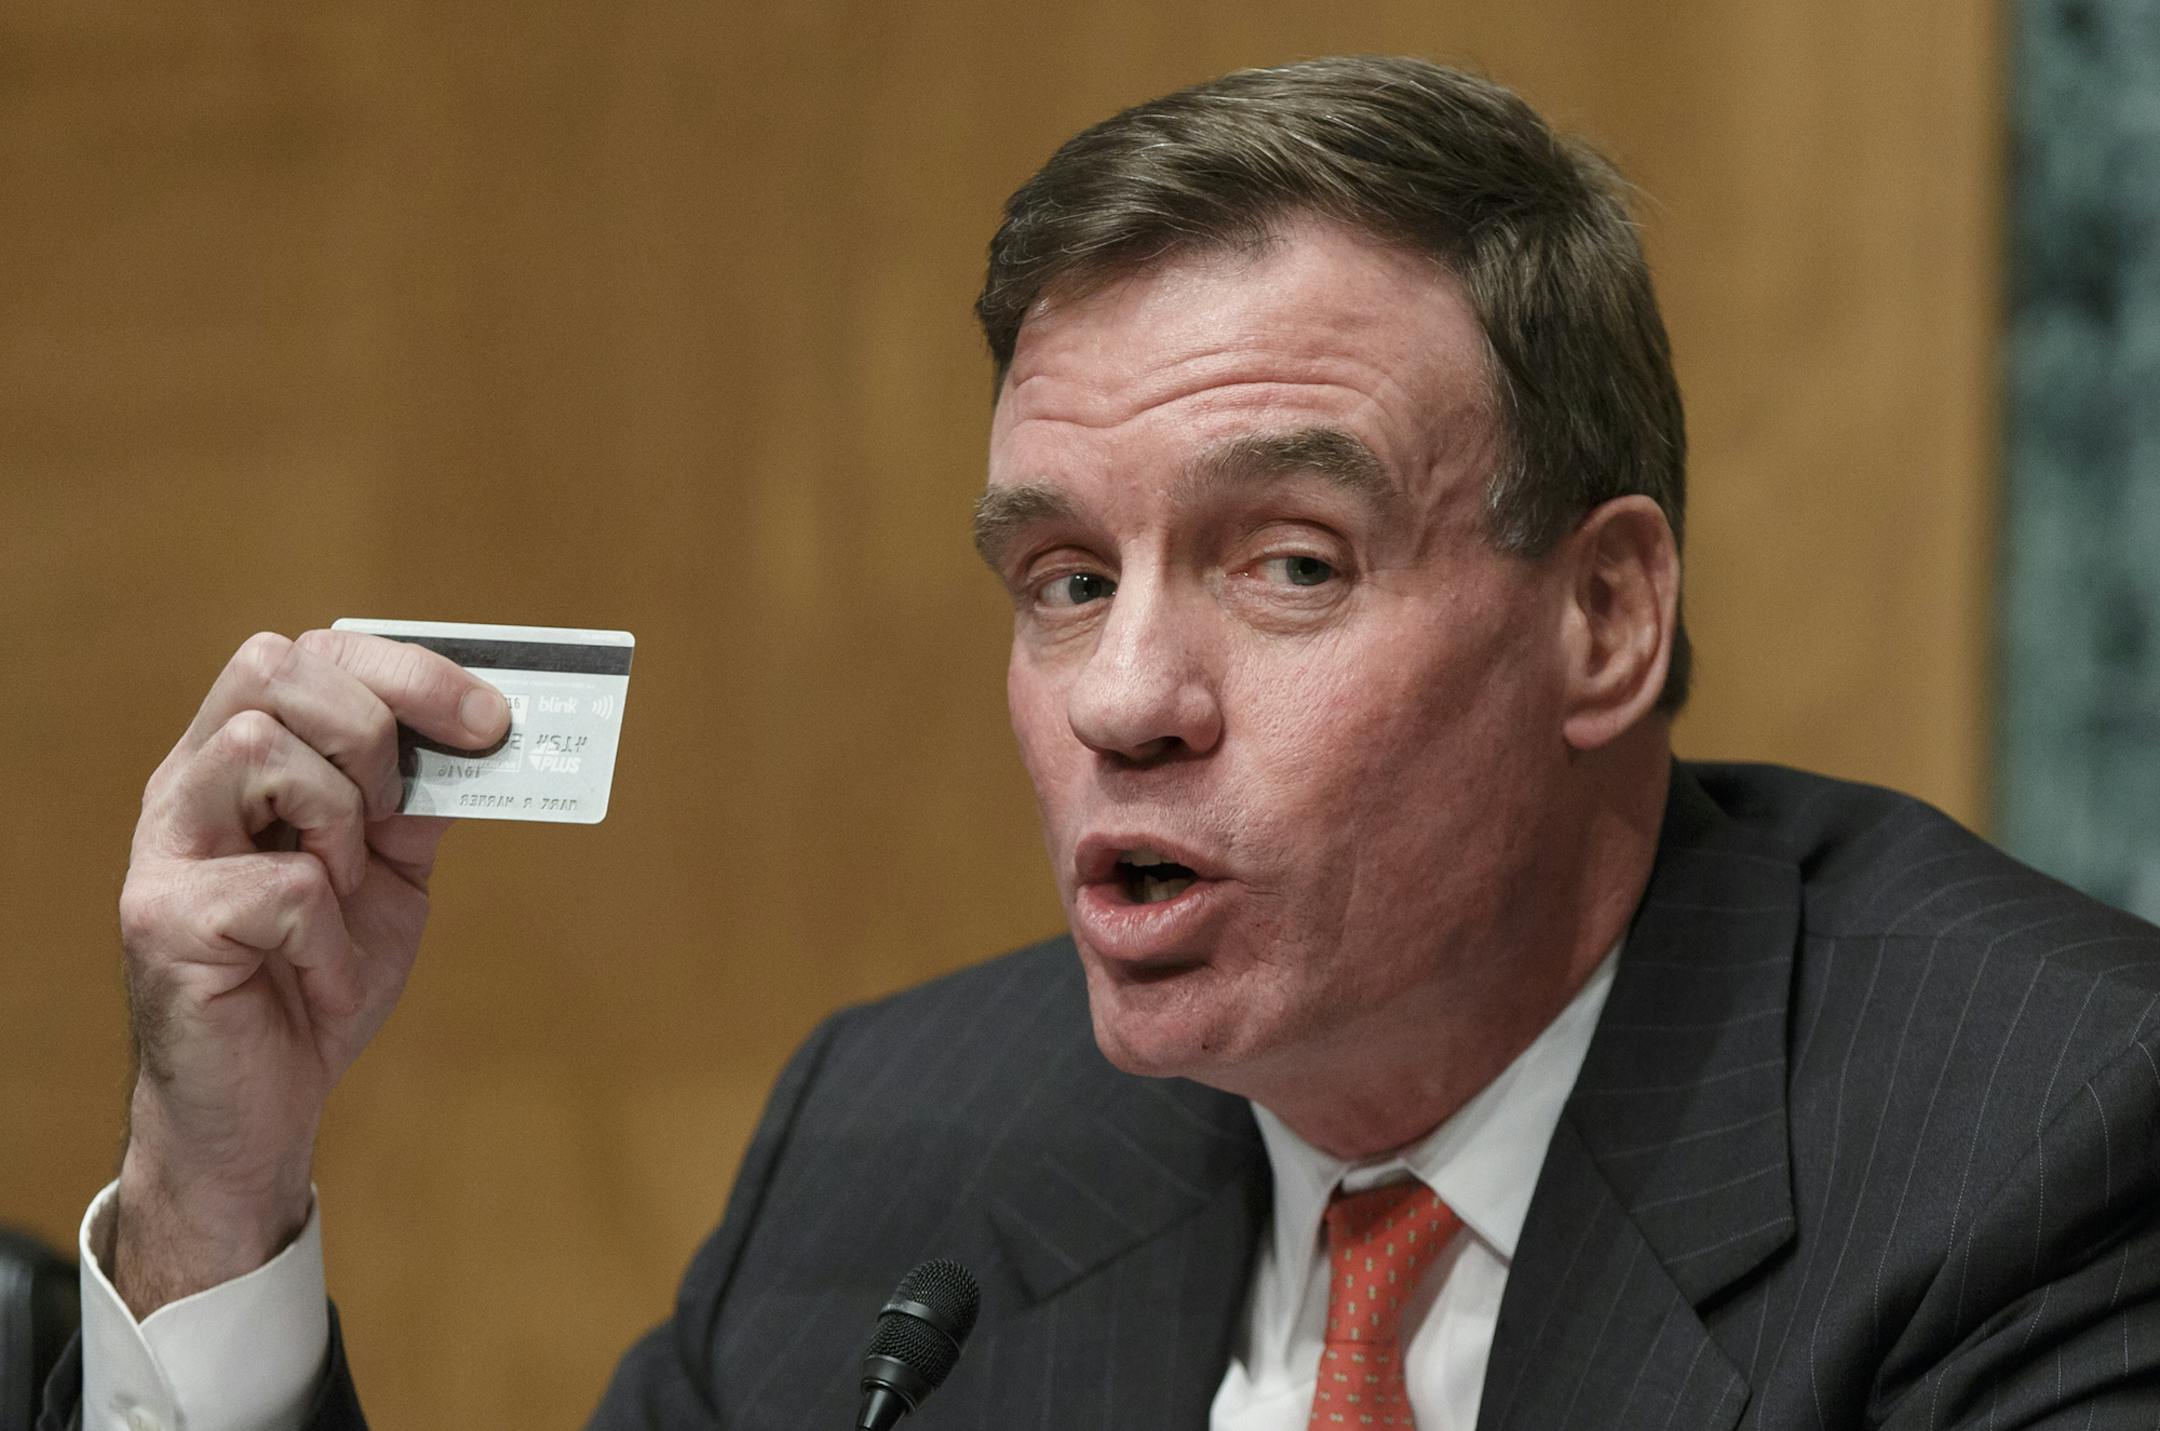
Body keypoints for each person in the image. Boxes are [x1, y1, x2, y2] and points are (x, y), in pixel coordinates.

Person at [45, 56, 2160, 1431]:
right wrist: (217, 1203)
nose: (1125, 697)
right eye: (1063, 579)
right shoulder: (898, 1154)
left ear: (1604, 614)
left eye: (1293, 562)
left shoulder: (2037, 1142)